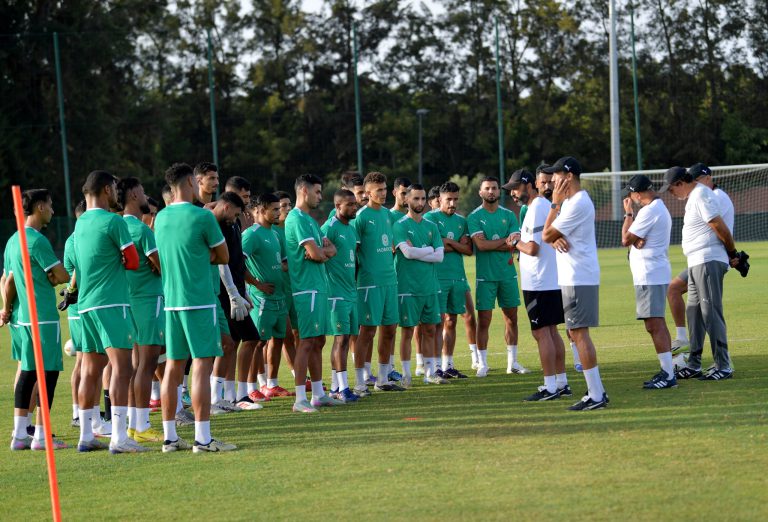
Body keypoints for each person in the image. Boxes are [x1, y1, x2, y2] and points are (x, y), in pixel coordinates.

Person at [155, 162, 236, 453]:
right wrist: (203, 258)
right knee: (201, 364)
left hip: (171, 303)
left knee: (173, 368)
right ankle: (203, 439)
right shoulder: (202, 217)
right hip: (200, 300)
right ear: (191, 181)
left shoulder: (160, 218)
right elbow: (223, 256)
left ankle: (170, 437)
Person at [74, 171, 146, 451]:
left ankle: (86, 436)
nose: (117, 192)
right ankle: (119, 437)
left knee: (90, 370)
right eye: (115, 188)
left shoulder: (79, 225)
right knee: (123, 367)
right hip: (112, 302)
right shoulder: (113, 221)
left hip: (87, 304)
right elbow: (133, 261)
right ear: (106, 189)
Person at [660, 166, 741, 380]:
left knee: (710, 312)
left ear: (680, 183)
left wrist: (733, 253)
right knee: (694, 312)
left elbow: (719, 226)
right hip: (697, 261)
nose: (671, 194)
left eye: (671, 190)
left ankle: (723, 365)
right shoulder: (695, 195)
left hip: (708, 259)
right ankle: (694, 364)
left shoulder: (701, 194)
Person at [4, 189, 70, 450]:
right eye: (51, 205)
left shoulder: (12, 241)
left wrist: (6, 308)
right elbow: (62, 275)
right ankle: (41, 436)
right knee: (49, 374)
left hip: (24, 319)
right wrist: (56, 276)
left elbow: (8, 282)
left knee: (28, 373)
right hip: (43, 316)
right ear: (40, 207)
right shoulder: (37, 240)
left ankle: (19, 435)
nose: (53, 211)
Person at [542, 156, 609, 410]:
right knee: (575, 333)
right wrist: (553, 235)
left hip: (579, 276)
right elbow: (551, 236)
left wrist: (554, 205)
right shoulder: (573, 203)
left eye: (556, 176)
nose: (552, 180)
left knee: (580, 334)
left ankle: (596, 394)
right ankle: (596, 391)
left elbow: (547, 233)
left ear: (568, 177)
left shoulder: (576, 202)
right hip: (575, 276)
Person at [506, 169, 572, 401]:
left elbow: (532, 248)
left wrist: (515, 241)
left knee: (541, 333)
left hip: (539, 282)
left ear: (528, 186)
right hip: (550, 280)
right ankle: (561, 382)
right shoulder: (543, 206)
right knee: (552, 332)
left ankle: (550, 387)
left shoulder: (535, 209)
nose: (513, 193)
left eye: (515, 188)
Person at [284, 174, 342, 412]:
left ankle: (318, 394)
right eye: (317, 192)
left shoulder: (310, 220)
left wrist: (321, 251)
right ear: (304, 192)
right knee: (306, 342)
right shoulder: (295, 219)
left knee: (318, 340)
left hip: (319, 287)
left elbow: (331, 250)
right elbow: (318, 254)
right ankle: (300, 399)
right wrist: (320, 252)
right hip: (306, 290)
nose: (320, 196)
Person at [117, 178, 166, 443]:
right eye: (144, 191)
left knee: (136, 366)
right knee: (147, 365)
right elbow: (160, 267)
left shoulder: (117, 227)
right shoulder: (141, 230)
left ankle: (135, 425)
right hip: (148, 300)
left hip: (128, 301)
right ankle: (143, 425)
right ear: (134, 195)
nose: (147, 195)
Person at [621, 175, 676, 389]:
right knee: (654, 323)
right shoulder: (656, 209)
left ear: (636, 193)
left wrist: (628, 215)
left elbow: (626, 239)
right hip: (652, 273)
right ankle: (667, 370)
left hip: (650, 274)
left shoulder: (649, 210)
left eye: (630, 194)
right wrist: (636, 238)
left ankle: (668, 374)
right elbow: (635, 240)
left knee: (655, 323)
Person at [467, 176, 526, 377]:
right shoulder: (474, 217)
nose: (491, 191)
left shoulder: (509, 215)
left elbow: (515, 240)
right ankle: (482, 363)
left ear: (499, 192)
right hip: (486, 277)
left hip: (507, 275)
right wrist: (505, 244)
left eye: (494, 188)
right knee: (484, 320)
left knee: (512, 318)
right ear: (480, 192)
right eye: (487, 188)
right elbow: (481, 246)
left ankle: (513, 363)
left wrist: (502, 244)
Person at [353, 172, 404, 393]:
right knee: (368, 331)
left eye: (384, 189)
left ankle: (383, 379)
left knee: (390, 329)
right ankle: (359, 381)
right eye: (378, 190)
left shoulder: (388, 215)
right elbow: (352, 250)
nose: (383, 194)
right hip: (369, 283)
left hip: (390, 281)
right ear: (367, 193)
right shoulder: (361, 217)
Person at [393, 184, 445, 387]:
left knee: (430, 330)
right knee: (407, 332)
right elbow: (407, 253)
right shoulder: (400, 225)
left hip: (430, 287)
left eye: (423, 199)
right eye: (416, 199)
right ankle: (406, 374)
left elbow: (440, 256)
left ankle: (430, 373)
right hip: (408, 288)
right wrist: (429, 250)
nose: (421, 203)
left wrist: (422, 250)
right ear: (406, 200)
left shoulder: (431, 226)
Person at [240, 194, 289, 403]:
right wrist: (256, 284)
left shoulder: (276, 235)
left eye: (279, 209)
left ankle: (271, 384)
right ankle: (251, 387)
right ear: (260, 210)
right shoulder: (251, 235)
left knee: (280, 338)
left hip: (279, 297)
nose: (278, 213)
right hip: (261, 299)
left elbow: (283, 263)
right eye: (274, 209)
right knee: (257, 343)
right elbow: (237, 263)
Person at [423, 181, 472, 379]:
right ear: (439, 200)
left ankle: (448, 365)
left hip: (457, 276)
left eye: (455, 199)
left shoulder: (462, 221)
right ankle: (434, 367)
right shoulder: (430, 218)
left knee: (452, 321)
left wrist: (447, 242)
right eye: (448, 200)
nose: (452, 203)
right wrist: (454, 243)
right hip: (438, 277)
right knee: (438, 322)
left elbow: (468, 250)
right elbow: (434, 247)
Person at [208, 193, 251, 413]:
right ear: (226, 206)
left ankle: (221, 397)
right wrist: (234, 293)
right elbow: (221, 261)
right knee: (205, 352)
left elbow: (228, 261)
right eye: (235, 213)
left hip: (221, 294)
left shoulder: (227, 224)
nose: (237, 218)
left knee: (229, 343)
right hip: (209, 296)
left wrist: (240, 292)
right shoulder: (209, 222)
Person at [321, 189, 361, 402]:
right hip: (335, 293)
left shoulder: (351, 229)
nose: (354, 207)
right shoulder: (329, 228)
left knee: (347, 340)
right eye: (350, 205)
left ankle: (336, 388)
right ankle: (343, 389)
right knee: (341, 338)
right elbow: (316, 254)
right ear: (337, 207)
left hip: (350, 292)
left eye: (355, 204)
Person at [63, 201, 86, 427]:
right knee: (82, 361)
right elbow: (78, 271)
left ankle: (83, 411)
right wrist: (71, 291)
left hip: (82, 305)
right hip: (80, 307)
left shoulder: (78, 237)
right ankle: (78, 412)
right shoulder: (77, 239)